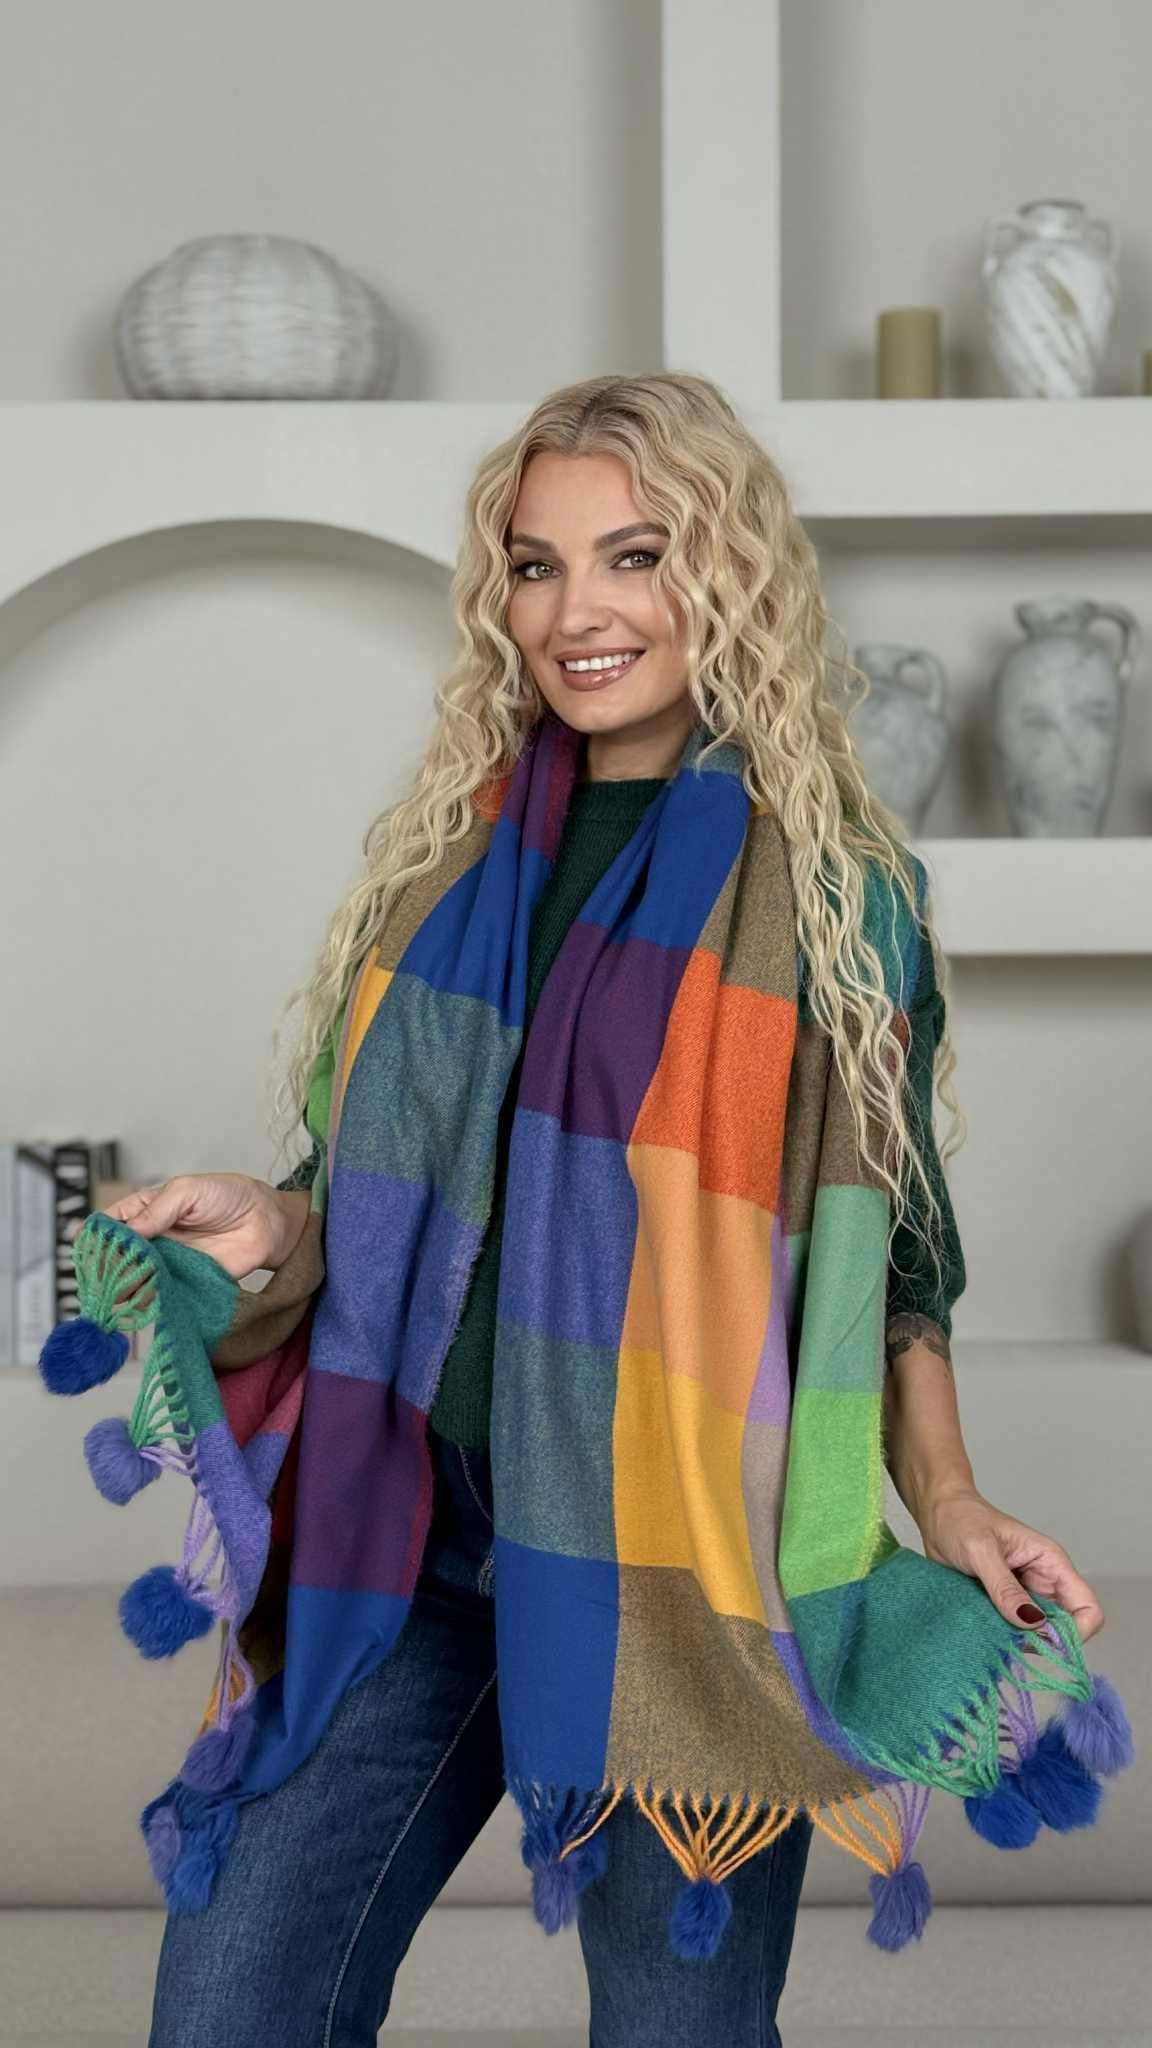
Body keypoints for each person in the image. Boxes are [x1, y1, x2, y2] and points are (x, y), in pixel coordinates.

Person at [108, 372, 1105, 2047]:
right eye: (536, 564)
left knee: (674, 2032)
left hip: (681, 1558)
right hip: (407, 1530)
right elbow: (371, 1211)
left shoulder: (837, 897)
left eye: (636, 556)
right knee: (231, 2002)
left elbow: (893, 1257)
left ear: (727, 573)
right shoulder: (441, 868)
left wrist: (948, 1496)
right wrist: (267, 1231)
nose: (580, 612)